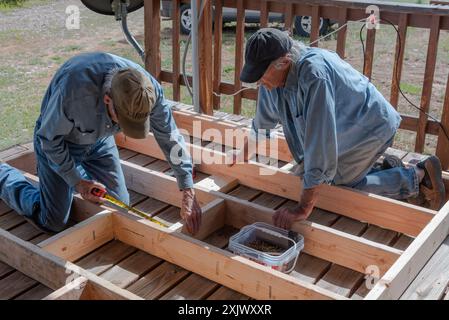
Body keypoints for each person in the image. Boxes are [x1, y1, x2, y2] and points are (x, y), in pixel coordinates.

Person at [230, 28, 445, 230]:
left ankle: (416, 176)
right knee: (309, 178)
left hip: (370, 129)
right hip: (345, 131)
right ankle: (381, 169)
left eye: (262, 76)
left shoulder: (313, 76)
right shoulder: (273, 79)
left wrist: (302, 208)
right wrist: (243, 155)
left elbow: (320, 148)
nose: (261, 83)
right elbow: (262, 122)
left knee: (334, 189)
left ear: (284, 62)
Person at [0, 52, 202, 234]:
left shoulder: (147, 91)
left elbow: (170, 137)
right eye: (123, 121)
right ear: (107, 99)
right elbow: (49, 140)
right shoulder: (74, 93)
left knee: (119, 205)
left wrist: (187, 189)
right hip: (61, 143)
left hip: (99, 141)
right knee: (53, 221)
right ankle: (4, 176)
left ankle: (72, 177)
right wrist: (77, 181)